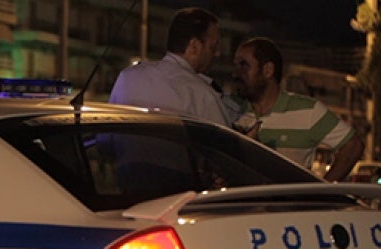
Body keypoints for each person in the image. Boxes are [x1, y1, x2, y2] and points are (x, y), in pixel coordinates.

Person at [231, 37, 364, 182]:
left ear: (268, 71)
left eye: (244, 66)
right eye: (236, 65)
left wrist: (322, 191)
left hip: (289, 204)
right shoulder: (231, 109)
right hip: (241, 204)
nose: (235, 73)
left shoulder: (308, 111)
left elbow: (353, 146)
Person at [109, 7, 234, 127]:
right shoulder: (202, 96)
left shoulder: (127, 77)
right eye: (213, 47)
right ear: (195, 46)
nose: (217, 54)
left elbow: (105, 139)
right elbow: (224, 146)